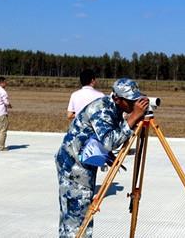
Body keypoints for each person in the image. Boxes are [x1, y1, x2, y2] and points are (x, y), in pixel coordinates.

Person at [55, 78, 149, 237]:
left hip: (80, 163)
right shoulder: (102, 109)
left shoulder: (114, 108)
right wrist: (134, 117)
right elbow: (109, 141)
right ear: (118, 98)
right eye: (130, 101)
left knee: (72, 215)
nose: (133, 104)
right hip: (74, 167)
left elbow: (100, 138)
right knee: (78, 216)